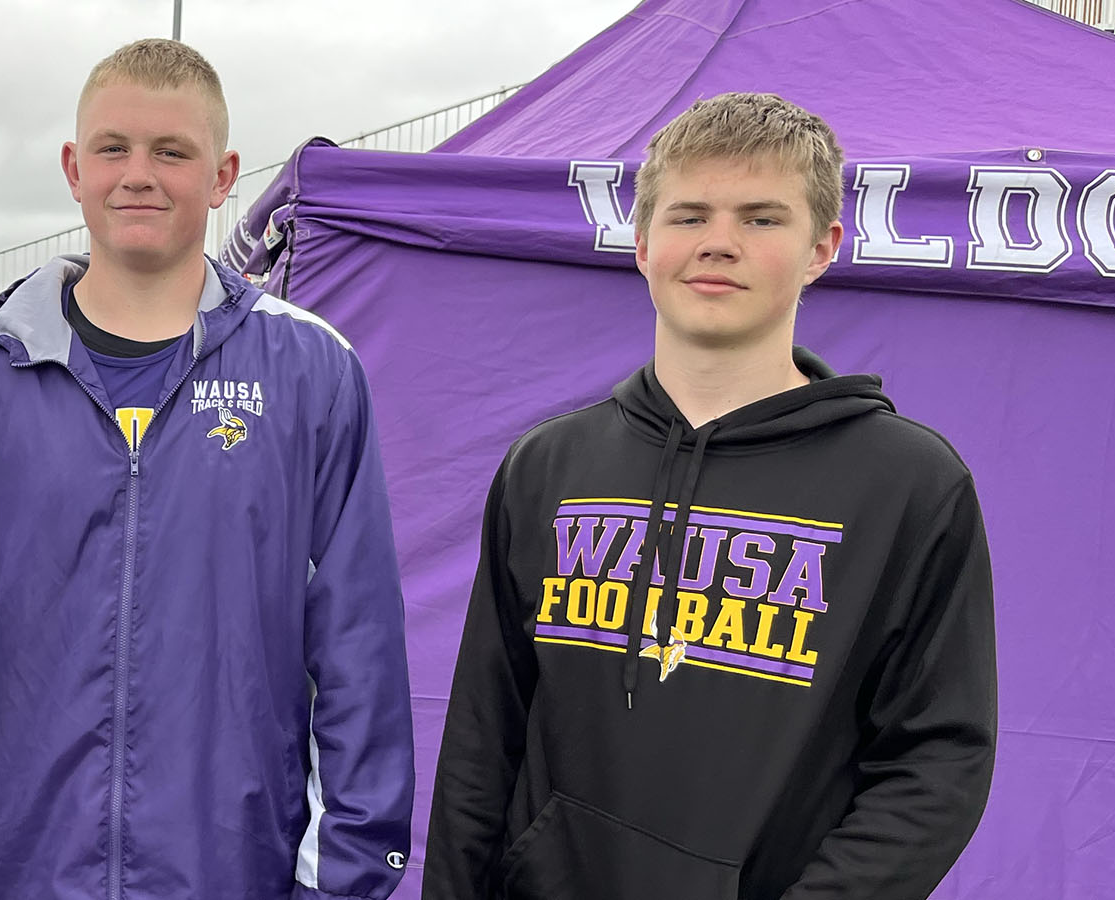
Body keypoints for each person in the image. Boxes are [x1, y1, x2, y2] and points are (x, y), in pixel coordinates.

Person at [0, 38, 413, 900]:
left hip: (228, 875)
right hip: (13, 873)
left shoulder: (311, 374)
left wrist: (345, 881)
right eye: (114, 148)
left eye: (172, 151)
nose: (140, 174)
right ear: (74, 166)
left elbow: (358, 653)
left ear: (222, 176)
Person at [423, 93, 996, 900]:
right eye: (689, 215)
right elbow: (484, 736)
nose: (718, 244)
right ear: (642, 243)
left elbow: (937, 761)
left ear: (821, 249)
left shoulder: (909, 484)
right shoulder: (547, 466)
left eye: (762, 219)